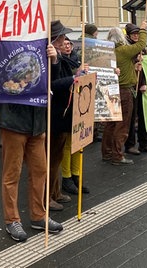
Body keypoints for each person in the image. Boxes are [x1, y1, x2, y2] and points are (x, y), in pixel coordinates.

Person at [0, 42, 64, 242]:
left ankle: (38, 215)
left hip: (38, 124)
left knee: (40, 171)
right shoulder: (9, 44)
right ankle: (12, 219)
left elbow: (52, 82)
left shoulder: (41, 45)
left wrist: (54, 61)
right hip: (14, 122)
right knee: (12, 174)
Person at [102, 20, 147, 166]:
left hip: (110, 90)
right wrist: (143, 30)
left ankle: (107, 153)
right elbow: (141, 45)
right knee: (122, 125)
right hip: (123, 90)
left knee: (111, 124)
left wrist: (133, 66)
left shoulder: (108, 52)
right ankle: (117, 155)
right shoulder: (122, 50)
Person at [49, 23, 79, 207]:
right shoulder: (53, 57)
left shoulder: (62, 57)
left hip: (63, 115)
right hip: (56, 116)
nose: (64, 41)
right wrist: (73, 79)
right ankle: (50, 195)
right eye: (61, 37)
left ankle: (56, 191)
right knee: (52, 158)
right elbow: (53, 84)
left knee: (57, 156)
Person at [57, 36, 90, 195]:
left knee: (79, 142)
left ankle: (77, 175)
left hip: (79, 105)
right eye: (64, 44)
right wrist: (76, 74)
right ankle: (67, 177)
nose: (67, 46)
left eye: (69, 43)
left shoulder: (76, 60)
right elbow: (61, 81)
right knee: (68, 143)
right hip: (66, 107)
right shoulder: (59, 62)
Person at [124, 23, 147, 154]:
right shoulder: (127, 48)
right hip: (130, 87)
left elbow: (145, 68)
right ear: (128, 35)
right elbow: (126, 66)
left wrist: (143, 82)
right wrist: (135, 62)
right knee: (131, 116)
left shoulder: (141, 48)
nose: (136, 36)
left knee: (143, 115)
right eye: (133, 34)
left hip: (140, 87)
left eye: (138, 33)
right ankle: (129, 145)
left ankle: (144, 143)